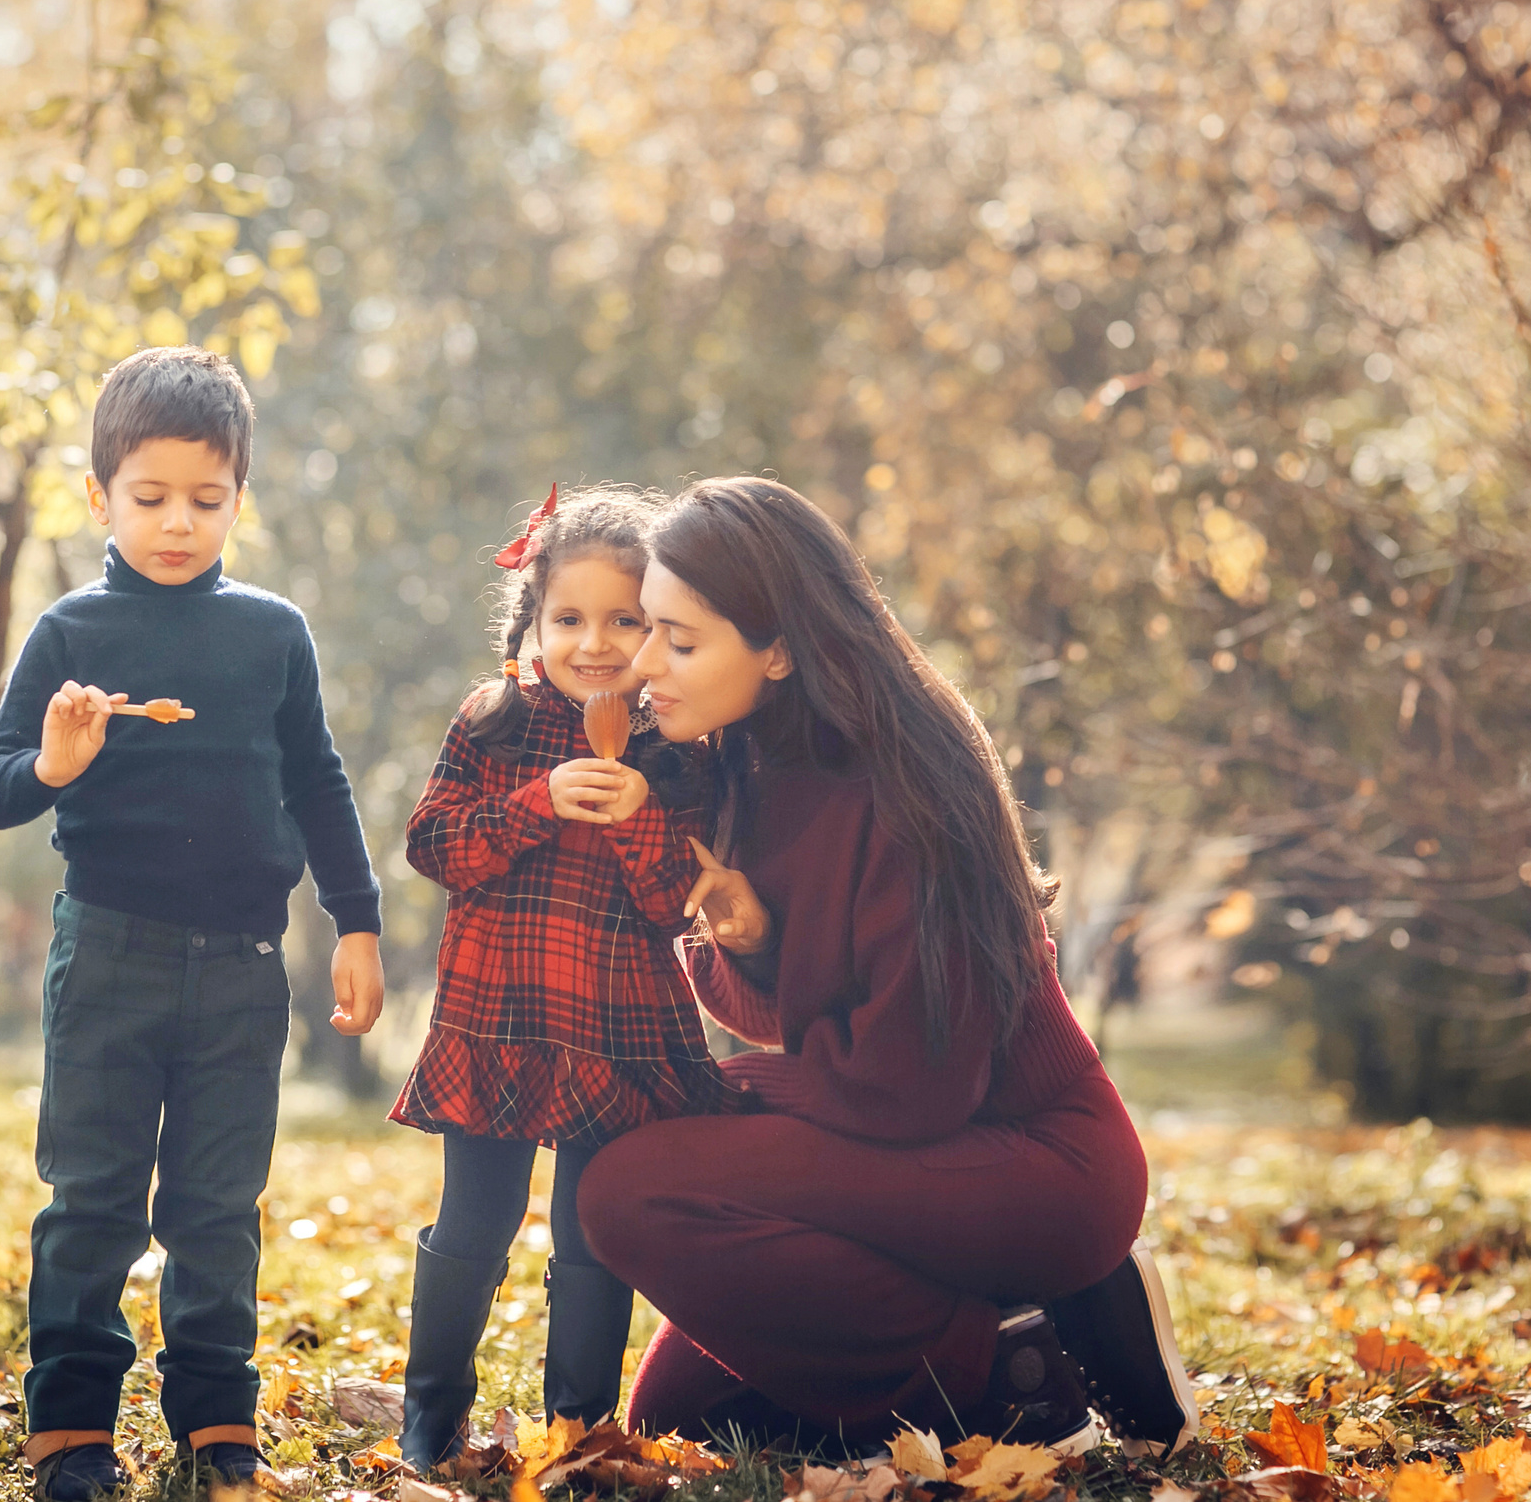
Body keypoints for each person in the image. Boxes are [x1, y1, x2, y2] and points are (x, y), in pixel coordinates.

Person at [577, 476, 1200, 1458]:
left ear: (778, 647)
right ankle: (1020, 1320)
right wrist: (749, 940)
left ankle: (1010, 1380)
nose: (644, 663)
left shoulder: (910, 788)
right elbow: (792, 1017)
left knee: (628, 1189)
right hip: (898, 1153)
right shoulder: (738, 763)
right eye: (649, 628)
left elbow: (909, 1091)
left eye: (680, 639)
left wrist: (718, 1091)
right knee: (682, 1417)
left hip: (1031, 1163)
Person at [0, 347, 386, 1502]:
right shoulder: (69, 632)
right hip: (108, 954)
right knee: (92, 1196)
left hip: (246, 966)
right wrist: (55, 761)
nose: (177, 523)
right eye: (149, 498)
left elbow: (319, 782)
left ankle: (215, 1416)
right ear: (97, 496)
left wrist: (355, 919)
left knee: (214, 1204)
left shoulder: (270, 634)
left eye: (206, 500)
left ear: (239, 499)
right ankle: (70, 1429)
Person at [390, 486, 730, 1471]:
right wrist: (536, 803)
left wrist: (638, 816)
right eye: (569, 618)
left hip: (614, 1031)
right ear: (530, 624)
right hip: (496, 1016)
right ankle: (431, 1413)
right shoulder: (493, 722)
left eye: (626, 620)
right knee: (471, 1226)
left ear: (659, 629)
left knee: (592, 1241)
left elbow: (678, 902)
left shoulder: (673, 750)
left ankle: (575, 1430)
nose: (595, 642)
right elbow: (433, 845)